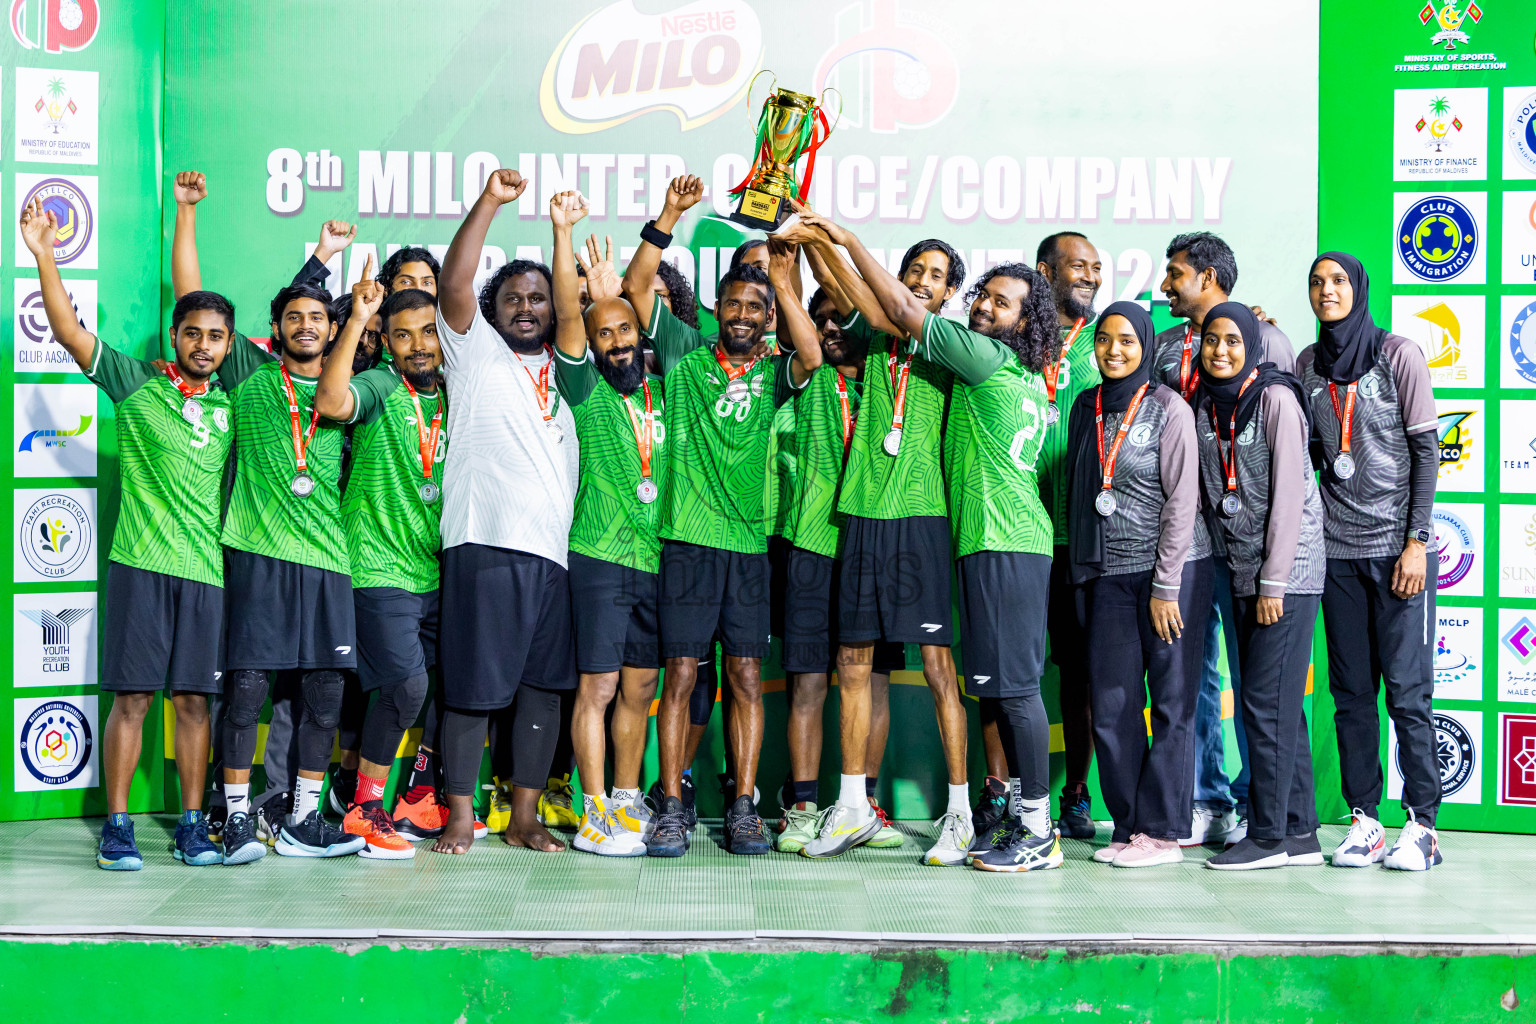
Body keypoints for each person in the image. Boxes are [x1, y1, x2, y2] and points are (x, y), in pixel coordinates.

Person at [22, 195, 230, 871]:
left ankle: (193, 826)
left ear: (229, 346)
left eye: (216, 336)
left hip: (206, 575)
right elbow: (67, 331)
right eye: (193, 332)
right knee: (135, 699)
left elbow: (194, 282)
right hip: (140, 565)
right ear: (176, 338)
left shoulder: (237, 399)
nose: (204, 344)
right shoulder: (135, 384)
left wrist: (193, 216)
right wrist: (45, 256)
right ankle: (117, 826)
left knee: (196, 703)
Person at [169, 170, 365, 865]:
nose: (306, 326)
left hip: (327, 561)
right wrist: (188, 214)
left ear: (333, 328)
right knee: (247, 694)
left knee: (323, 698)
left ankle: (304, 821)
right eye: (293, 319)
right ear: (276, 330)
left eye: (318, 318)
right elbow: (195, 300)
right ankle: (236, 817)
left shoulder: (349, 387)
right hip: (255, 553)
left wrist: (336, 280)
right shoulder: (250, 375)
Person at [620, 175, 815, 858]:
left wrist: (784, 286)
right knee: (680, 676)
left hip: (748, 549)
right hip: (687, 543)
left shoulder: (774, 370)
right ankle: (670, 802)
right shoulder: (686, 355)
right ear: (716, 309)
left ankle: (742, 804)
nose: (739, 314)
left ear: (766, 318)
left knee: (744, 679)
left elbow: (813, 355)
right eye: (730, 303)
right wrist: (669, 215)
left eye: (752, 307)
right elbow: (637, 290)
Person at [778, 209, 975, 866]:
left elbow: (869, 288)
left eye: (936, 276)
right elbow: (844, 288)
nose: (922, 280)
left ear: (949, 294)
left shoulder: (947, 342)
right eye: (914, 269)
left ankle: (960, 813)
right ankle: (854, 805)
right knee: (852, 666)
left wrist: (838, 238)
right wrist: (812, 243)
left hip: (921, 517)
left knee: (940, 670)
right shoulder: (869, 338)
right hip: (862, 512)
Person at [431, 168, 579, 855]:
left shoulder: (569, 367)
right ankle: (461, 814)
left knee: (542, 691)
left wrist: (561, 237)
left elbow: (576, 311)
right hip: (483, 543)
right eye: (513, 297)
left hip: (552, 554)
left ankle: (523, 817)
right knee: (472, 687)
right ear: (494, 309)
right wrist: (490, 201)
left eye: (539, 297)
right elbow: (454, 283)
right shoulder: (473, 349)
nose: (526, 306)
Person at [1299, 253, 1442, 871]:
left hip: (1397, 552)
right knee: (1352, 694)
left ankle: (1423, 827)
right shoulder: (1307, 364)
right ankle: (1365, 821)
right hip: (1336, 553)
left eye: (1337, 282)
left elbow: (1427, 450)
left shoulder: (1397, 354)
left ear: (1357, 289)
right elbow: (1307, 451)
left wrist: (1417, 539)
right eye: (1317, 283)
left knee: (1407, 694)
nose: (1327, 291)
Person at [1153, 231, 1296, 849]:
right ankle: (1209, 799)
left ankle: (1267, 812)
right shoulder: (1161, 347)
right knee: (1197, 676)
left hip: (1247, 543)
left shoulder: (1269, 338)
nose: (1165, 286)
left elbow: (1291, 445)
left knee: (1257, 681)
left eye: (1175, 275)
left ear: (1207, 277)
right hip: (1186, 544)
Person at [1066, 302, 1212, 868]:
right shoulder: (1086, 405)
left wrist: (1166, 586)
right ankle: (1128, 825)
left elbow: (1183, 501)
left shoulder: (1167, 407)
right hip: (1106, 573)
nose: (1115, 350)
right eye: (1104, 340)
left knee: (1171, 703)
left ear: (1145, 345)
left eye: (1127, 340)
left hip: (1169, 574)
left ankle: (1163, 832)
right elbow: (1081, 493)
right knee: (1111, 704)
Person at [312, 269, 449, 859]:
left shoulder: (455, 393)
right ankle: (366, 811)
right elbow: (330, 399)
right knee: (404, 686)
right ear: (387, 341)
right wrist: (360, 322)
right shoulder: (379, 386)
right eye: (402, 335)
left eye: (427, 332)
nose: (418, 344)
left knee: (423, 689)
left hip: (434, 569)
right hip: (375, 565)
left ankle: (375, 802)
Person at [546, 194, 665, 857]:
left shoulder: (668, 391)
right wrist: (563, 233)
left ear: (639, 336)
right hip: (598, 556)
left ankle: (626, 799)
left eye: (624, 331)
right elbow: (568, 310)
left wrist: (615, 286)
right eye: (604, 335)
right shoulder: (584, 389)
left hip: (656, 561)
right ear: (591, 347)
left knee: (640, 688)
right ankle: (592, 809)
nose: (617, 342)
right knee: (596, 687)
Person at [1193, 303, 1326, 870]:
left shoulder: (1276, 400)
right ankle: (1299, 831)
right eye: (1211, 341)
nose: (1220, 351)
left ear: (1252, 345)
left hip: (1287, 575)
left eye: (1232, 341)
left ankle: (1266, 837)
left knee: (1262, 706)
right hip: (1242, 571)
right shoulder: (1205, 407)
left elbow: (1291, 496)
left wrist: (1273, 581)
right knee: (1279, 705)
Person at [774, 285, 905, 854]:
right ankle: (802, 807)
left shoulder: (884, 379)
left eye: (837, 318)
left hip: (876, 545)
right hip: (812, 546)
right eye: (816, 318)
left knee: (874, 684)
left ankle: (866, 802)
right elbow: (804, 335)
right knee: (808, 683)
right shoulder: (810, 376)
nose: (827, 328)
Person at [1033, 231, 1104, 841]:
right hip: (1019, 534)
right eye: (1078, 266)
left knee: (1080, 674)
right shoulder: (1017, 339)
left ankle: (1076, 794)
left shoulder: (1107, 342)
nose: (1090, 276)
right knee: (1014, 671)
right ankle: (1005, 795)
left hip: (1081, 541)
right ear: (1045, 271)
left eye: (1097, 269)